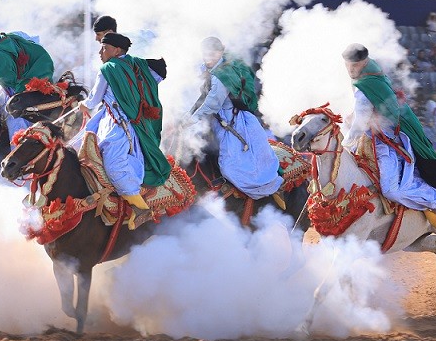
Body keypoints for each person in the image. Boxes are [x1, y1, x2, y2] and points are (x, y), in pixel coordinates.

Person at [343, 43, 436, 229]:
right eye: (348, 65)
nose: (351, 69)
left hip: (387, 143)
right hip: (377, 136)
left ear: (364, 62)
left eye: (355, 65)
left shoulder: (364, 85)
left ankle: (432, 199)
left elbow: (361, 122)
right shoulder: (370, 72)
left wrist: (345, 144)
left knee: (391, 191)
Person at [78, 32, 168, 210]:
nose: (100, 53)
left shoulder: (108, 68)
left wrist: (84, 104)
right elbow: (157, 76)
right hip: (134, 124)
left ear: (117, 50)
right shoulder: (136, 63)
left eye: (104, 48)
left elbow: (94, 99)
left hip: (116, 124)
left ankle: (138, 207)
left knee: (113, 163)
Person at [189, 37, 283, 200]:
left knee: (232, 165)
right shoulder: (208, 69)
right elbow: (201, 98)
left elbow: (212, 103)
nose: (209, 56)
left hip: (233, 122)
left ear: (220, 52)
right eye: (206, 53)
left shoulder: (222, 74)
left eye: (213, 53)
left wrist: (190, 120)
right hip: (218, 120)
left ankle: (261, 189)